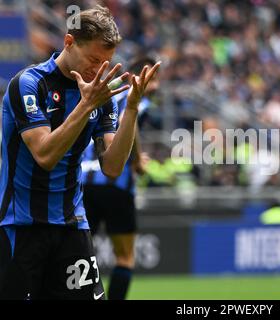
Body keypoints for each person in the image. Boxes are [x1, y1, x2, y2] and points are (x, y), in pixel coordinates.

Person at [0, 5, 160, 300]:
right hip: (21, 228)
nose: (98, 70)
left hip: (73, 226)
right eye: (93, 59)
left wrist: (132, 109)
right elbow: (45, 156)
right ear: (69, 42)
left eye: (106, 62)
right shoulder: (29, 84)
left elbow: (112, 167)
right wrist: (86, 106)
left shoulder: (102, 96)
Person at [81, 55, 159, 300]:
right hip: (116, 183)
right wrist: (136, 160)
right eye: (154, 80)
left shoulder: (104, 92)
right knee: (125, 257)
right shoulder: (134, 96)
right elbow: (130, 118)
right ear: (142, 75)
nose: (156, 87)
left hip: (84, 181)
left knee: (80, 254)